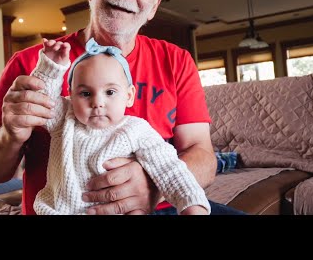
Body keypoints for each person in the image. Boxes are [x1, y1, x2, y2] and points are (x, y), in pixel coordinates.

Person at [0, 0, 243, 215]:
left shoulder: (176, 61)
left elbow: (203, 157)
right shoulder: (36, 63)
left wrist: (152, 183)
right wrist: (10, 135)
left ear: (154, 6)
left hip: (158, 208)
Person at [31, 37, 210, 215]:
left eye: (110, 92)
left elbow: (169, 169)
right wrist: (50, 68)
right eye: (85, 93)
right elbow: (42, 102)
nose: (97, 102)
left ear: (129, 95)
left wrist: (192, 204)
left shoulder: (136, 130)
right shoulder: (65, 120)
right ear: (71, 95)